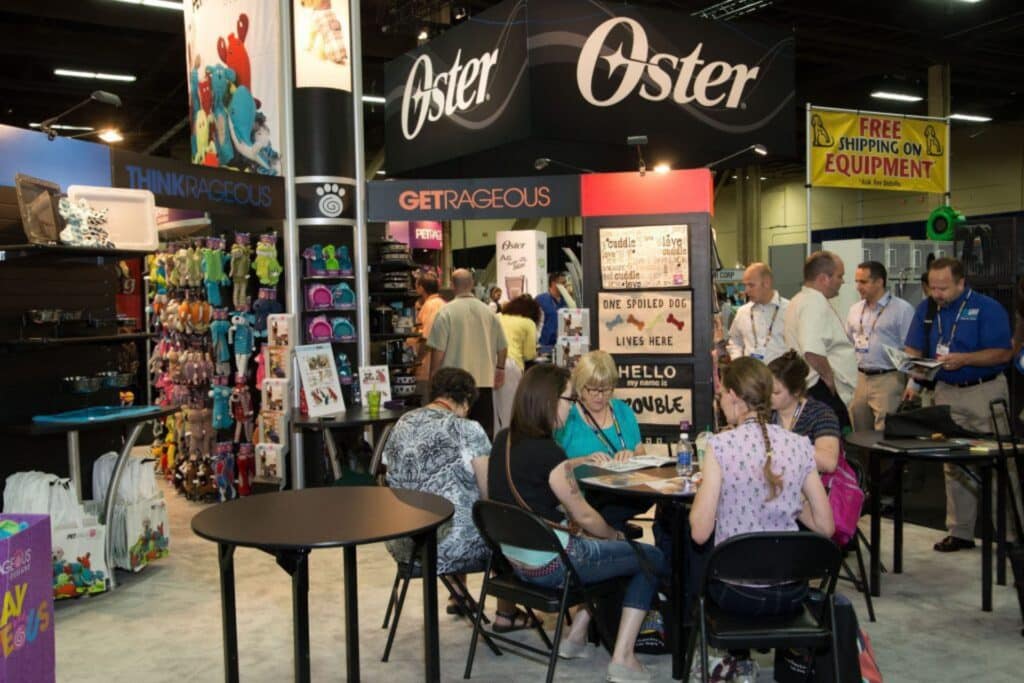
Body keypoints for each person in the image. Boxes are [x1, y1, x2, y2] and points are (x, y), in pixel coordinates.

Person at [488, 364, 667, 683]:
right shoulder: (548, 453)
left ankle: (577, 636)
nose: (571, 408)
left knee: (602, 550)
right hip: (553, 564)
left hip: (516, 560)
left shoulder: (503, 440)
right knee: (649, 557)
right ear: (548, 400)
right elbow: (583, 514)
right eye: (569, 399)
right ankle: (624, 658)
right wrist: (614, 537)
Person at [689, 357, 834, 682]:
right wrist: (790, 500)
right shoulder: (799, 445)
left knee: (693, 563)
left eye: (721, 395)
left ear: (733, 396)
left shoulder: (721, 446)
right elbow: (826, 527)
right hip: (791, 592)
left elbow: (700, 532)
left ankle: (723, 663)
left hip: (735, 595)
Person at [382, 367, 524, 627]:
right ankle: (506, 615)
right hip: (447, 545)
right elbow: (487, 491)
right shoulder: (467, 429)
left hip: (404, 541)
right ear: (466, 399)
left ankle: (458, 595)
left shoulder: (402, 423)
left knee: (454, 505)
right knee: (497, 526)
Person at [903, 257, 1013, 552]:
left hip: (984, 392)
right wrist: (912, 364)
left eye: (944, 288)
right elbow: (913, 346)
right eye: (933, 287)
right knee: (953, 464)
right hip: (945, 392)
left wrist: (965, 360)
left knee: (999, 463)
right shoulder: (926, 310)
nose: (937, 294)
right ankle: (960, 531)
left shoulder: (987, 308)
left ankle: (1011, 536)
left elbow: (1003, 353)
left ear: (962, 283)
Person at [556, 350, 649, 533]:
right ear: (580, 386)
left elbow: (641, 453)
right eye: (592, 389)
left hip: (622, 494)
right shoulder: (568, 416)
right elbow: (553, 466)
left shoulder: (623, 411)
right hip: (582, 500)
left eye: (606, 389)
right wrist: (584, 461)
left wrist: (632, 456)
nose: (599, 396)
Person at [783, 250, 857, 433]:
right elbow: (812, 350)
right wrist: (830, 380)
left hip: (811, 385)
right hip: (820, 387)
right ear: (824, 278)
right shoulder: (813, 303)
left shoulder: (799, 300)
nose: (842, 281)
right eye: (839, 276)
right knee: (835, 442)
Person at [428, 269, 508, 436]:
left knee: (454, 435)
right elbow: (502, 346)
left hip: (453, 386)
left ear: (452, 285)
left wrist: (433, 377)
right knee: (482, 435)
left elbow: (438, 352)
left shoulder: (445, 312)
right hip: (483, 383)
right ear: (472, 284)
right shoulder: (488, 312)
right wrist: (500, 369)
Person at [845, 261, 915, 431]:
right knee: (859, 433)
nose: (858, 287)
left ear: (879, 282)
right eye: (856, 281)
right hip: (860, 378)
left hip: (888, 378)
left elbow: (912, 350)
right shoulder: (855, 309)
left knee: (884, 433)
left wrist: (913, 383)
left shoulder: (902, 309)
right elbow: (848, 342)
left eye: (863, 282)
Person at [768, 351, 841, 473]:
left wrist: (783, 445)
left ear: (796, 391)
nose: (767, 396)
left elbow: (828, 463)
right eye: (765, 389)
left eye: (776, 392)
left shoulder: (821, 415)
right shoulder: (765, 413)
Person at [727, 263, 789, 364]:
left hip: (780, 377)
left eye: (751, 285)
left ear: (767, 283)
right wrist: (738, 363)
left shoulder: (789, 310)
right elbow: (735, 341)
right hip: (750, 377)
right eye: (745, 285)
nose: (746, 291)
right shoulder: (742, 312)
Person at [494, 295, 541, 430]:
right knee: (510, 411)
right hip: (510, 365)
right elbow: (529, 354)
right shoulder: (528, 323)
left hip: (491, 364)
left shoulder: (497, 317)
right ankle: (508, 445)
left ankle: (497, 446)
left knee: (495, 411)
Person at [410, 273, 444, 397]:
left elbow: (427, 337)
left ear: (421, 288)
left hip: (427, 368)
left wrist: (416, 362)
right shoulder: (436, 303)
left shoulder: (432, 305)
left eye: (416, 285)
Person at [536, 272, 568, 347]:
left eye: (565, 283)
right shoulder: (540, 300)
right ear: (554, 284)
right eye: (563, 283)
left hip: (563, 345)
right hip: (544, 344)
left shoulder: (566, 301)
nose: (565, 285)